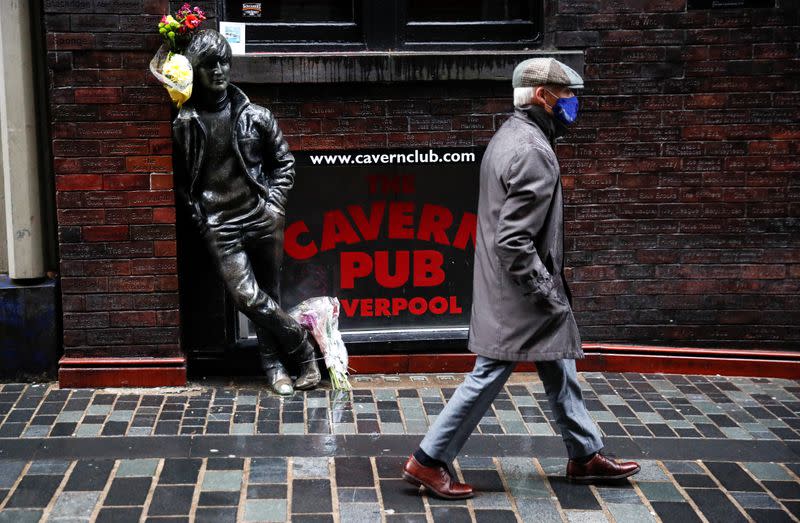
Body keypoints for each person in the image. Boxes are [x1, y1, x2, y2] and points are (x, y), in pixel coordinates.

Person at [402, 58, 640, 499]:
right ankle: (428, 460)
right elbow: (514, 240)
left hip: (508, 288)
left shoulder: (509, 135)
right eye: (565, 94)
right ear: (540, 96)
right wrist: (546, 292)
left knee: (558, 360)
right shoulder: (534, 151)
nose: (572, 102)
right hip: (521, 295)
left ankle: (585, 454)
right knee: (489, 373)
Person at [172, 30, 320, 395]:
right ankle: (302, 348)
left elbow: (284, 162)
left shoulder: (256, 116)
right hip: (220, 225)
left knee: (268, 294)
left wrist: (273, 205)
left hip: (261, 216)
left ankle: (276, 370)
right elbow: (181, 180)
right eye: (208, 66)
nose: (219, 71)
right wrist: (200, 219)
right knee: (248, 297)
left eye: (223, 62)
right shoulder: (186, 124)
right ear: (195, 71)